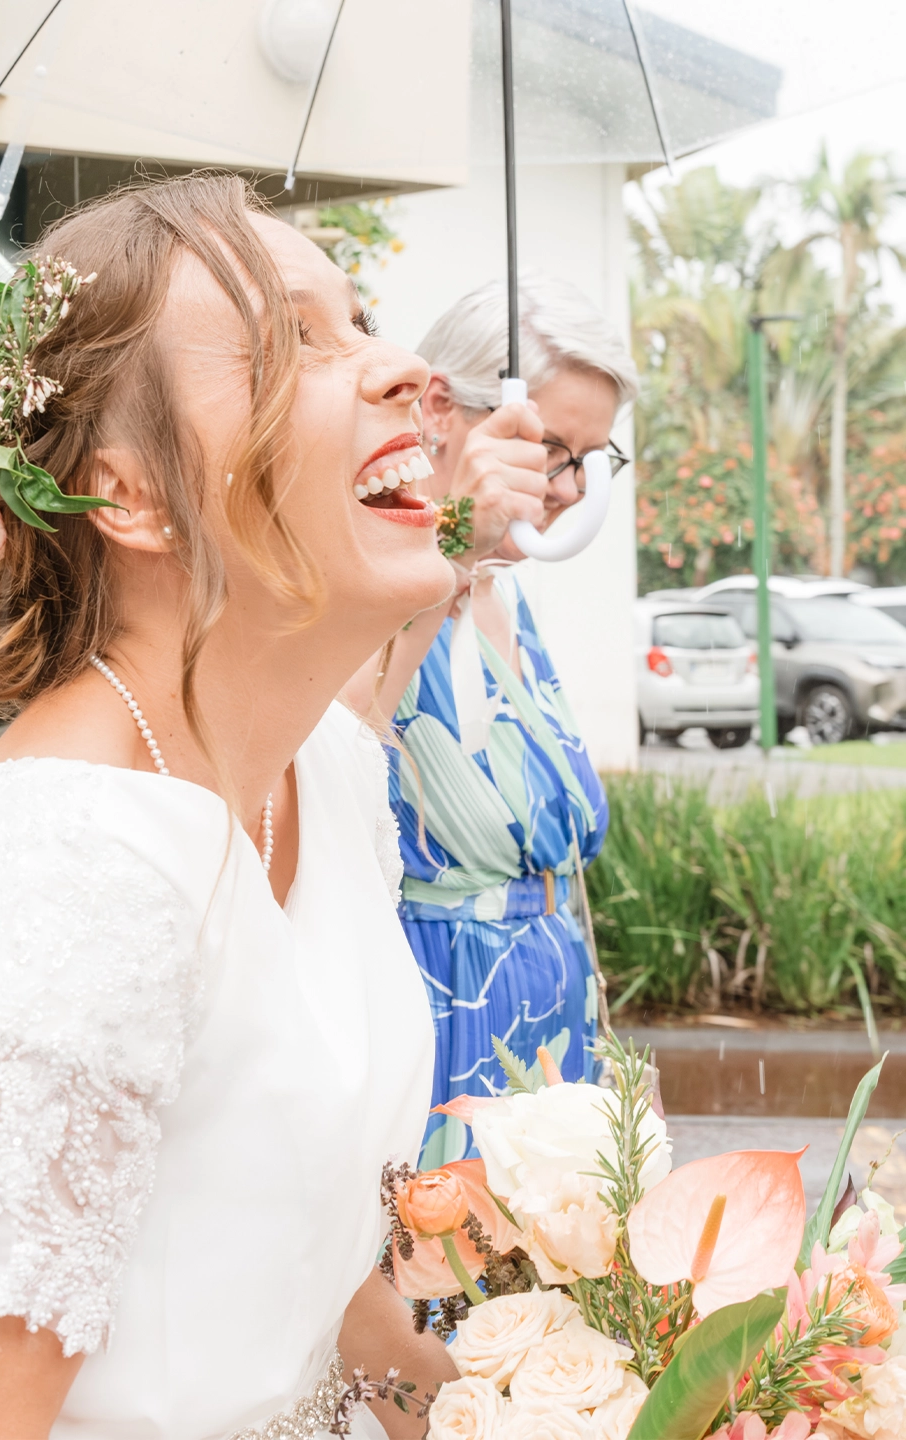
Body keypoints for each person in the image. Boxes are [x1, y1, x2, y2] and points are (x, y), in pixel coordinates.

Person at [0, 176, 458, 1439]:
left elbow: (330, 1301)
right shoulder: (51, 876)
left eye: (364, 321)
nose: (402, 369)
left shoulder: (322, 773)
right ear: (132, 496)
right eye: (295, 342)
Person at [347, 277, 638, 1168]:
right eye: (551, 447)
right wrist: (448, 555)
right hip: (444, 1026)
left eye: (592, 457)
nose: (568, 487)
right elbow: (332, 753)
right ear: (439, 407)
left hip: (554, 1022)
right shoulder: (356, 569)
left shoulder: (508, 593)